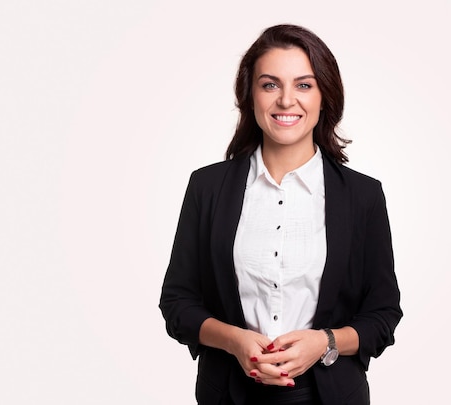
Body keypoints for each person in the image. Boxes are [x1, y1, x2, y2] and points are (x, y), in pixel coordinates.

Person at [159, 24, 402, 405]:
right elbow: (178, 304)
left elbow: (383, 314)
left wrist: (325, 342)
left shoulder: (362, 196)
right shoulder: (207, 187)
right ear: (250, 95)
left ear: (325, 96)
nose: (286, 100)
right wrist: (235, 341)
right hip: (227, 395)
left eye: (304, 85)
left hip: (331, 396)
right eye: (270, 84)